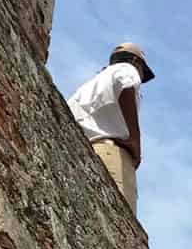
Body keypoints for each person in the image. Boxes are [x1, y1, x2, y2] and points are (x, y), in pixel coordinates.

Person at [66, 42, 154, 214]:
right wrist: (135, 140)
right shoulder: (127, 69)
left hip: (85, 155)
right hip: (111, 155)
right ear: (136, 62)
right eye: (142, 72)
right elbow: (126, 86)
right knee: (120, 224)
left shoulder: (86, 87)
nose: (141, 77)